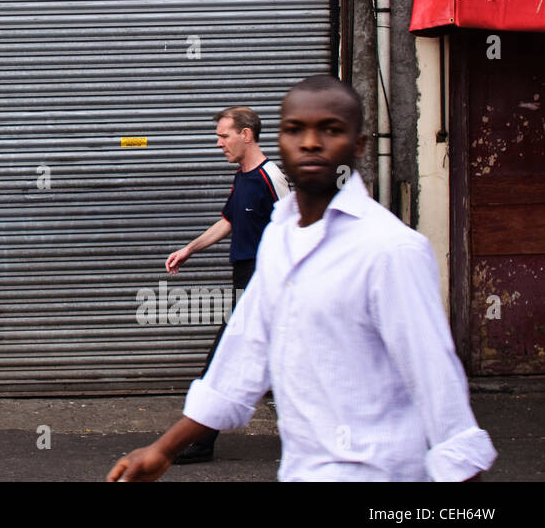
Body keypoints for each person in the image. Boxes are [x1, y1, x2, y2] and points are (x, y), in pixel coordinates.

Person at [108, 75, 496, 482]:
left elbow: (439, 392)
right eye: (295, 130)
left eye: (330, 129)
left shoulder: (392, 250)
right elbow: (242, 359)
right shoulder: (280, 235)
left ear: (358, 146)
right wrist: (162, 450)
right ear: (282, 140)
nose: (310, 142)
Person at [164, 106, 288, 464]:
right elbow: (228, 221)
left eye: (224, 136)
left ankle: (200, 441)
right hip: (246, 277)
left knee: (222, 358)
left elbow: (295, 225)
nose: (219, 143)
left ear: (246, 134)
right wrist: (189, 249)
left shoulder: (271, 176)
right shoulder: (243, 177)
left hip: (265, 279)